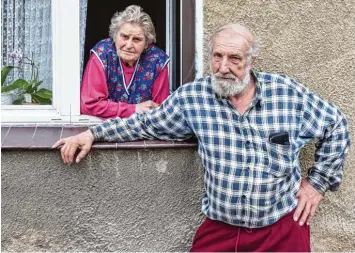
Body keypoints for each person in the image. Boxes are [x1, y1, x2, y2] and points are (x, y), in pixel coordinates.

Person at [54, 23, 350, 252]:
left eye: (234, 58)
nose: (223, 67)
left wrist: (317, 185)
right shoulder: (194, 98)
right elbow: (146, 124)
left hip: (281, 228)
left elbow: (336, 125)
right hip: (222, 230)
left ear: (251, 60)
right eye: (217, 56)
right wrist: (93, 132)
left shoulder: (286, 93)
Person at [81, 5, 170, 119]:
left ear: (147, 43)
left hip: (142, 130)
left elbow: (160, 110)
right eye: (124, 37)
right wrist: (134, 109)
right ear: (115, 36)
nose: (128, 45)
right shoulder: (102, 54)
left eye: (137, 39)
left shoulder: (157, 60)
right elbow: (90, 105)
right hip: (103, 126)